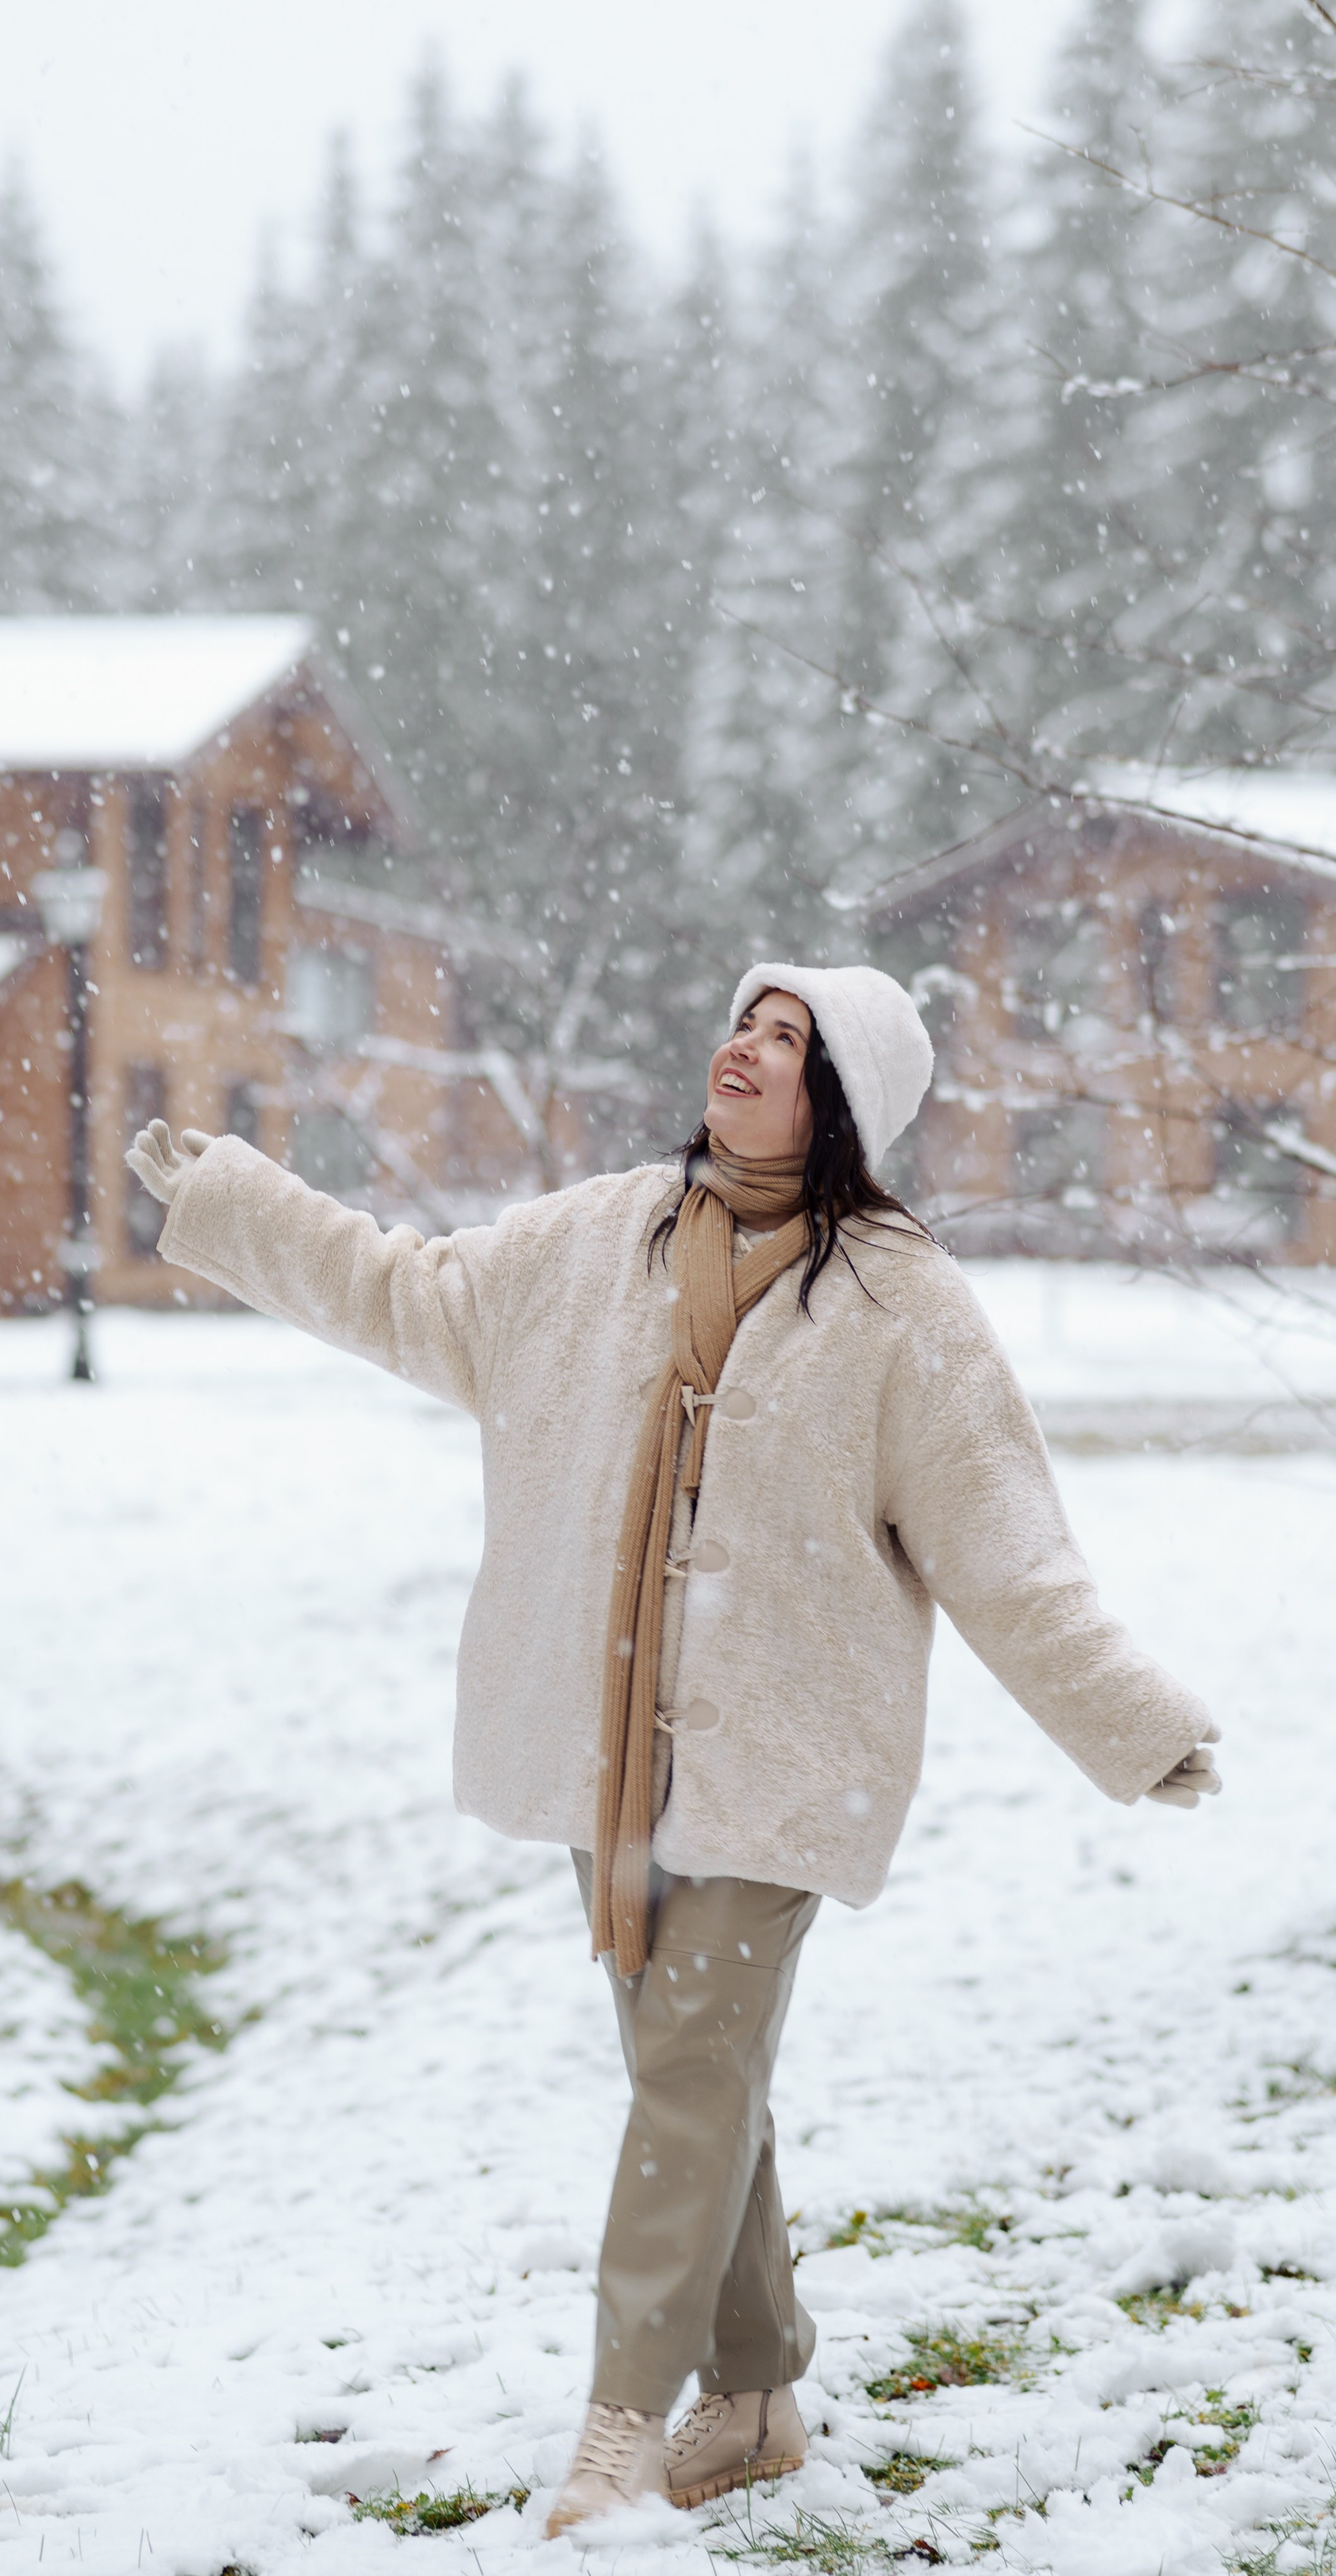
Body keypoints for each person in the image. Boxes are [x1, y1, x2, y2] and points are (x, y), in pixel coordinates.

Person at [125, 961, 1219, 2536]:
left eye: (786, 1041)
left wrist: (1131, 1722)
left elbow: (1004, 1551)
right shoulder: (595, 1237)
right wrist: (235, 1202)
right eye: (743, 1021)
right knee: (696, 2073)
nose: (742, 1048)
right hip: (607, 1738)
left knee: (691, 2076)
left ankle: (621, 2423)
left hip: (787, 1753)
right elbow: (403, 1289)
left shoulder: (905, 1305)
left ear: (838, 1103)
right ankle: (760, 2390)